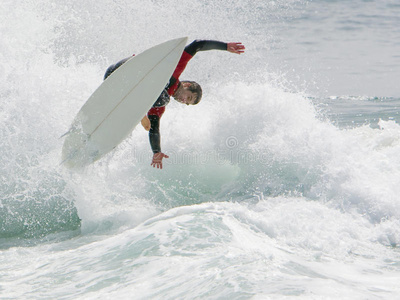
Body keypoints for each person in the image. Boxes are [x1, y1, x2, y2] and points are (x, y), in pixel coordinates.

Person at [104, 39, 245, 169]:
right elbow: (197, 44)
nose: (184, 101)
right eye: (188, 97)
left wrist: (156, 151)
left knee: (147, 117)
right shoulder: (175, 70)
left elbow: (154, 128)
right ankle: (139, 111)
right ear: (187, 84)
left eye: (187, 103)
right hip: (121, 70)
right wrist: (225, 47)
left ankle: (127, 115)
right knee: (163, 98)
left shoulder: (159, 104)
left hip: (115, 87)